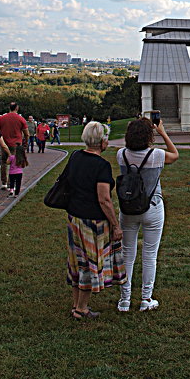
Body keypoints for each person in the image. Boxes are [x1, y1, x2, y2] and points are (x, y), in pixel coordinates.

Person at [116, 117, 179, 313]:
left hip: (128, 208)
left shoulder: (121, 155)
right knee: (150, 255)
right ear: (148, 137)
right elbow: (175, 155)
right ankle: (146, 298)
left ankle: (124, 299)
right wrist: (162, 132)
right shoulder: (156, 155)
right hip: (152, 207)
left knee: (128, 253)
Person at [65, 121, 126, 319]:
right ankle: (82, 308)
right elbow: (104, 199)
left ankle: (76, 304)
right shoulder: (101, 166)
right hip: (93, 223)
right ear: (101, 142)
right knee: (89, 264)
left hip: (74, 218)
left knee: (77, 263)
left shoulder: (75, 157)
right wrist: (115, 225)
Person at [0, 103, 28, 190]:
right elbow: (26, 133)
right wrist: (26, 142)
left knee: (3, 162)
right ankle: (11, 183)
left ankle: (4, 182)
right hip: (16, 144)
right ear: (17, 108)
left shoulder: (1, 118)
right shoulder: (21, 119)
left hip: (4, 143)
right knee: (15, 162)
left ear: (9, 108)